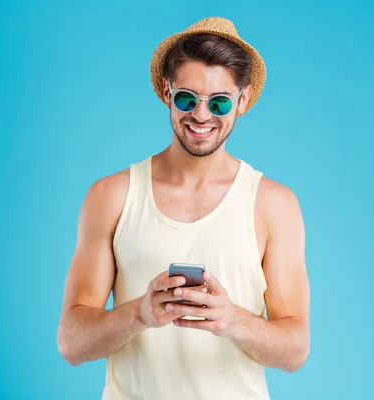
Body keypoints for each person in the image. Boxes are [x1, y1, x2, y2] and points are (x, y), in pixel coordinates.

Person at [56, 16, 310, 400]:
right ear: (165, 91)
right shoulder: (112, 196)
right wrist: (139, 314)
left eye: (220, 102)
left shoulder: (274, 205)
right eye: (187, 98)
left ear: (242, 100)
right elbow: (72, 343)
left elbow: (295, 350)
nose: (202, 116)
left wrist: (232, 320)